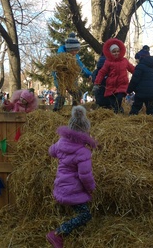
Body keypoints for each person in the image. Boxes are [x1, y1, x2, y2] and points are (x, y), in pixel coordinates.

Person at [46, 105, 97, 248]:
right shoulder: (83, 152)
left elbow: (51, 151)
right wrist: (91, 188)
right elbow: (85, 176)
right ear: (86, 131)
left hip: (60, 185)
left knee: (79, 209)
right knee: (85, 215)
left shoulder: (60, 143)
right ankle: (58, 234)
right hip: (73, 189)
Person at [93, 38, 135, 114]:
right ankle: (118, 111)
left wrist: (139, 73)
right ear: (110, 53)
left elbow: (132, 69)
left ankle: (117, 110)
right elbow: (102, 72)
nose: (116, 53)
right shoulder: (108, 62)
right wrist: (97, 82)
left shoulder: (124, 61)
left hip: (122, 84)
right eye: (114, 52)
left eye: (118, 51)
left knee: (119, 98)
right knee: (112, 101)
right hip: (111, 85)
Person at [53, 33, 92, 110]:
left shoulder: (76, 58)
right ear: (68, 49)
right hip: (61, 80)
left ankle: (75, 110)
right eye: (73, 51)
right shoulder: (60, 56)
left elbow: (82, 67)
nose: (75, 52)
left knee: (77, 94)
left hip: (72, 80)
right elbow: (55, 68)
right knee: (61, 95)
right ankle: (56, 111)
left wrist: (89, 74)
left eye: (76, 50)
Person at [127, 46, 153, 118]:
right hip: (151, 93)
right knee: (150, 108)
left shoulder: (140, 67)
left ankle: (131, 118)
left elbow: (134, 80)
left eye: (137, 60)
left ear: (141, 58)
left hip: (141, 93)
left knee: (136, 107)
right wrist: (152, 89)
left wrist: (129, 90)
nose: (136, 61)